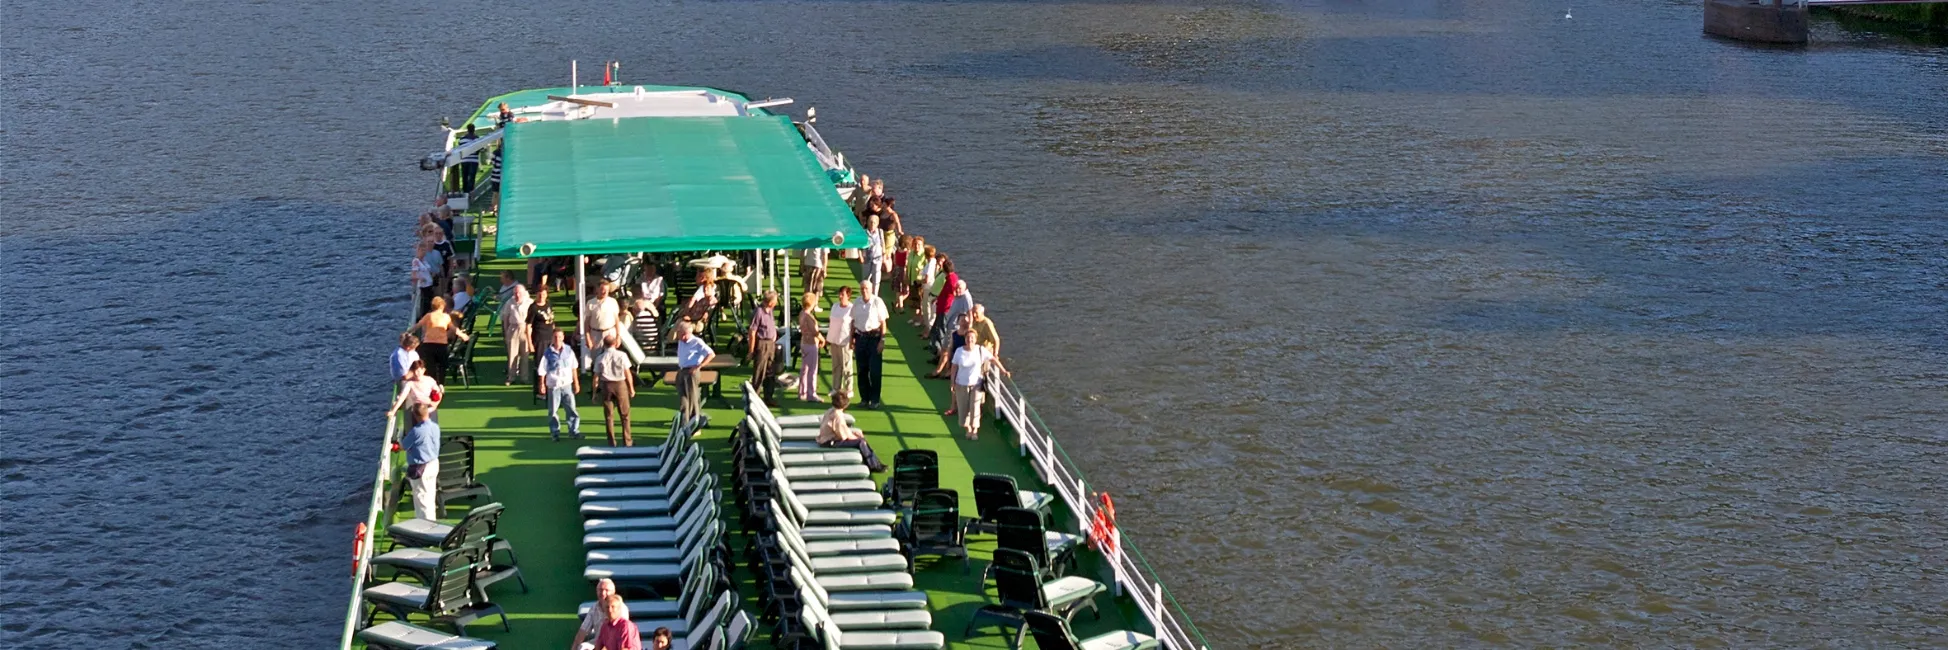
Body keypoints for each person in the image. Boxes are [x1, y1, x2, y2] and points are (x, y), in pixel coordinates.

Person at [951, 331, 1009, 440]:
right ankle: (967, 428)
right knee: (963, 410)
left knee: (975, 407)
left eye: (972, 337)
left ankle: (974, 431)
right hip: (961, 384)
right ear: (965, 339)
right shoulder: (959, 351)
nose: (970, 340)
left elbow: (993, 359)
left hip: (976, 384)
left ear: (976, 339)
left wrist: (1003, 370)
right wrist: (952, 382)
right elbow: (954, 367)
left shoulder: (980, 350)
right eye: (968, 337)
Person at [818, 392, 885, 472]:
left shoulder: (832, 410)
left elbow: (842, 429)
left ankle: (875, 462)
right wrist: (855, 437)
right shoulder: (837, 416)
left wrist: (852, 433)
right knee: (861, 442)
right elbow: (842, 436)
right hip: (829, 442)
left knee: (861, 440)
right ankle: (873, 465)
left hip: (828, 438)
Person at [412, 296, 470, 383]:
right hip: (442, 345)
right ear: (442, 306)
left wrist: (408, 332)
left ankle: (432, 385)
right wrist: (463, 335)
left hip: (429, 345)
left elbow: (417, 326)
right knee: (442, 367)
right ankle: (441, 385)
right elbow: (454, 328)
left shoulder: (428, 316)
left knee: (431, 367)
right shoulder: (446, 317)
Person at [398, 403, 442, 520]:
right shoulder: (435, 427)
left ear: (415, 416)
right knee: (430, 496)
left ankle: (426, 528)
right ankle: (431, 522)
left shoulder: (416, 431)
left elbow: (402, 446)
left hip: (421, 469)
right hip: (434, 464)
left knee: (422, 499)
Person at [849, 281, 889, 409]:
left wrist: (882, 340)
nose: (864, 291)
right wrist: (851, 339)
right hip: (860, 337)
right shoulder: (857, 302)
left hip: (874, 338)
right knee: (861, 370)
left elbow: (883, 323)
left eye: (866, 288)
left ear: (871, 289)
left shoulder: (877, 302)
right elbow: (853, 322)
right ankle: (864, 398)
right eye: (862, 288)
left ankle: (875, 400)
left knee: (875, 371)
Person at [592, 334, 636, 446]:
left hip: (606, 386)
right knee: (625, 414)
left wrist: (594, 393)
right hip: (620, 385)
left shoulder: (600, 358)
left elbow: (596, 377)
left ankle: (611, 442)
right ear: (615, 343)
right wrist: (631, 388)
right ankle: (627, 441)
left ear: (604, 344)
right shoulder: (622, 355)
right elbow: (627, 373)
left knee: (608, 416)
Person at [538, 330, 581, 441]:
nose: (557, 339)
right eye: (555, 337)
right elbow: (542, 370)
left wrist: (576, 382)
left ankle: (574, 431)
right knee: (553, 411)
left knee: (571, 409)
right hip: (553, 386)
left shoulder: (569, 351)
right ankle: (555, 433)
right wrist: (542, 384)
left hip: (566, 384)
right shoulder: (547, 353)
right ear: (552, 338)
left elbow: (574, 367)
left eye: (559, 337)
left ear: (563, 338)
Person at [672, 321, 715, 424]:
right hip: (682, 370)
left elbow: (711, 354)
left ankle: (695, 422)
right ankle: (684, 421)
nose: (681, 337)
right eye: (680, 334)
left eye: (683, 335)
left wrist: (699, 366)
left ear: (689, 333)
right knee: (683, 398)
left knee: (693, 398)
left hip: (691, 372)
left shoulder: (697, 342)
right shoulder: (681, 341)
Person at [930, 280, 973, 379]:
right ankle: (946, 370)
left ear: (965, 288)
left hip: (954, 327)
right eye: (956, 288)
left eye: (959, 288)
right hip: (950, 325)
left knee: (946, 349)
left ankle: (938, 371)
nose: (957, 290)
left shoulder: (966, 298)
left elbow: (969, 314)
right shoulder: (959, 296)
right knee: (947, 349)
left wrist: (968, 329)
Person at [746, 291, 780, 405]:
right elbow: (752, 331)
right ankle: (755, 398)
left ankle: (768, 397)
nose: (776, 302)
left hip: (770, 344)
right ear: (770, 302)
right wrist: (751, 350)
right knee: (760, 371)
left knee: (770, 371)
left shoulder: (770, 311)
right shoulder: (758, 312)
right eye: (775, 300)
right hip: (762, 344)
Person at [387, 359, 442, 426]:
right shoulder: (410, 383)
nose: (417, 373)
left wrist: (435, 403)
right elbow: (402, 397)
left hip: (430, 409)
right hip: (418, 412)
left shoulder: (430, 380)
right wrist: (393, 411)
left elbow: (439, 393)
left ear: (423, 370)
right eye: (414, 371)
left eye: (419, 370)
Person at [569, 579, 617, 650]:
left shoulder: (620, 609)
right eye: (600, 590)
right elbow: (582, 632)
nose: (603, 593)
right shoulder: (594, 609)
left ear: (613, 592)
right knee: (582, 647)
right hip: (598, 643)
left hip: (616, 644)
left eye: (607, 590)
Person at [501, 284, 535, 385]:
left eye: (519, 293)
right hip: (513, 328)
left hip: (525, 328)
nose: (517, 295)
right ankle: (511, 377)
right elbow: (506, 317)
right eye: (515, 293)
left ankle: (524, 378)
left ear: (524, 293)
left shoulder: (529, 302)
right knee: (512, 354)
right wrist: (506, 331)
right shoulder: (509, 302)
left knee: (525, 354)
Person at [826, 286, 855, 400]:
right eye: (840, 294)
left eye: (843, 294)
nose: (840, 296)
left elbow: (853, 325)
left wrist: (852, 340)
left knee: (847, 365)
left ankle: (849, 389)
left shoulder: (851, 309)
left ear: (848, 296)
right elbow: (831, 322)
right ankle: (836, 388)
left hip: (845, 340)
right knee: (836, 365)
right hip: (834, 340)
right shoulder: (834, 306)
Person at [796, 292, 824, 402]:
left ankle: (802, 391)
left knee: (805, 369)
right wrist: (822, 339)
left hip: (804, 342)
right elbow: (815, 331)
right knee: (812, 369)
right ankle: (811, 393)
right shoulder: (809, 317)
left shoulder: (801, 314)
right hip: (811, 344)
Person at [584, 282, 622, 353]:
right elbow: (587, 322)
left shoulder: (613, 302)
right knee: (596, 357)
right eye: (602, 289)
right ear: (597, 289)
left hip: (610, 333)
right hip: (595, 334)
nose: (604, 292)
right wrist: (587, 337)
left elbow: (617, 320)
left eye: (606, 290)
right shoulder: (590, 303)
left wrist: (618, 336)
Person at [412, 241, 437, 317]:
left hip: (429, 285)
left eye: (424, 250)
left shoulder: (424, 260)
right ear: (418, 250)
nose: (423, 252)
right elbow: (414, 275)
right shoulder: (416, 261)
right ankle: (423, 318)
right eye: (422, 250)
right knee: (424, 304)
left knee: (430, 302)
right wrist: (420, 278)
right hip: (423, 286)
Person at [454, 124, 480, 193]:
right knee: (472, 176)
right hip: (474, 160)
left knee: (464, 176)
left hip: (464, 160)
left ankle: (465, 191)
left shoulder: (462, 139)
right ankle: (470, 191)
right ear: (474, 129)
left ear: (467, 130)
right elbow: (478, 150)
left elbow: (460, 148)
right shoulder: (477, 138)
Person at [861, 214, 884, 291]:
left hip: (878, 257)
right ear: (867, 222)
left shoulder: (880, 232)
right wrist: (860, 256)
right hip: (867, 258)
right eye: (870, 222)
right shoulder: (864, 232)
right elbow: (861, 246)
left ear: (877, 223)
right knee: (865, 277)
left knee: (876, 278)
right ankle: (864, 292)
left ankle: (875, 295)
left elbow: (882, 243)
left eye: (874, 222)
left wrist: (884, 254)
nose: (872, 224)